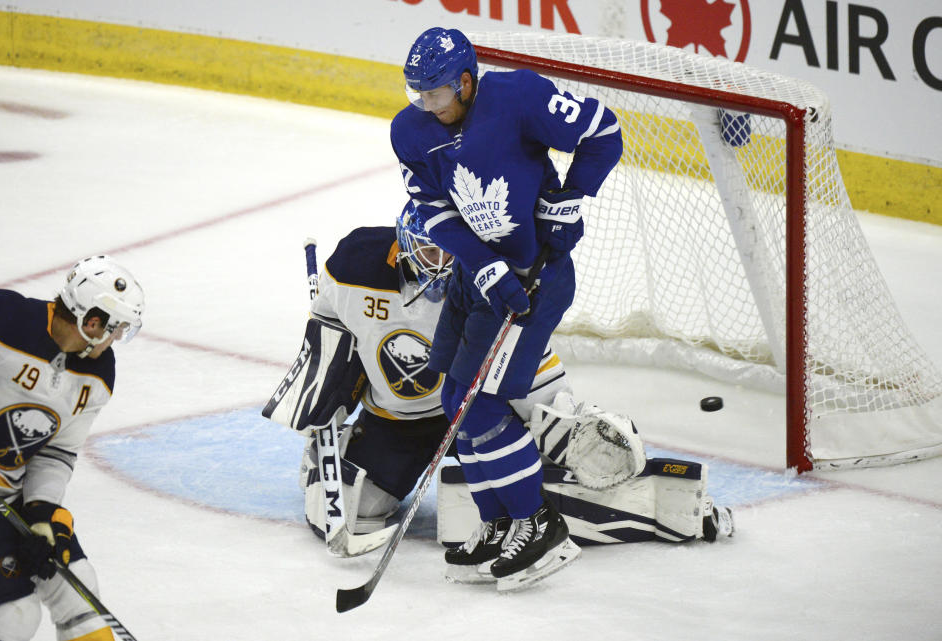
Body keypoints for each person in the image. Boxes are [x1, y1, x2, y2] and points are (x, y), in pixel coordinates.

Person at [262, 205, 733, 590]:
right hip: (395, 420)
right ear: (404, 240)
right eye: (428, 249)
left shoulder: (484, 282)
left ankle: (653, 509)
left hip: (471, 412)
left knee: (474, 511)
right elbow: (330, 325)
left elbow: (523, 361)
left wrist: (561, 424)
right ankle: (337, 459)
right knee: (346, 508)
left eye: (451, 252)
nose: (440, 264)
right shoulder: (355, 263)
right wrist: (327, 381)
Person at [389, 26, 626, 588]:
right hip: (480, 279)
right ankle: (499, 522)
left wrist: (571, 195)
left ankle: (539, 525)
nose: (429, 106)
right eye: (420, 95)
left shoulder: (519, 97)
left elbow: (605, 131)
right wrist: (483, 264)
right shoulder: (410, 131)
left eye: (439, 95)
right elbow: (433, 213)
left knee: (483, 405)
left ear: (466, 81)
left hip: (534, 283)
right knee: (454, 396)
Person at [0, 256, 144, 641]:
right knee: (14, 621)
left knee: (81, 598)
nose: (117, 337)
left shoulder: (97, 374)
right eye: (115, 327)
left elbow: (57, 453)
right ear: (92, 322)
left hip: (7, 499)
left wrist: (40, 513)